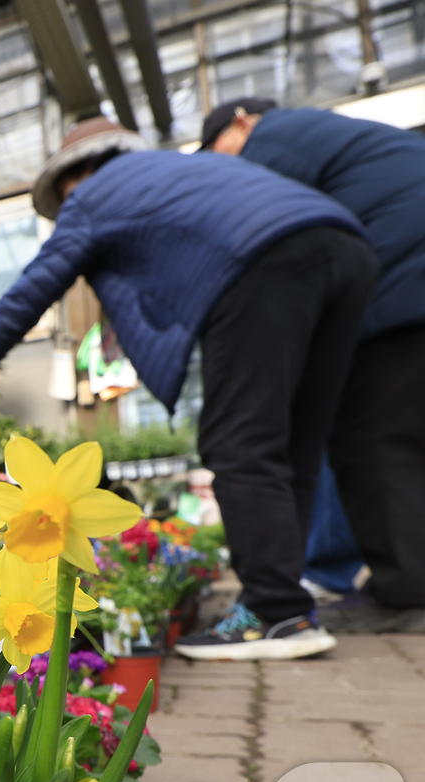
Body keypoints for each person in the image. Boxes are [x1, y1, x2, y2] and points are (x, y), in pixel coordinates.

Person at [0, 116, 377, 660]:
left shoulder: (94, 196)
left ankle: (276, 615)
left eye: (65, 193)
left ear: (81, 172)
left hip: (263, 264)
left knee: (239, 442)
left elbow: (33, 289)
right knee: (296, 442)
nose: (69, 204)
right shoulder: (183, 170)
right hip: (346, 247)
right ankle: (289, 605)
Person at [202, 98, 425, 632]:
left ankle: (409, 588)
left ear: (240, 122)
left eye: (218, 153)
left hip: (399, 289)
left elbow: (266, 224)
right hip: (406, 280)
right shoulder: (332, 135)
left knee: (372, 441)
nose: (223, 168)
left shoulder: (273, 137)